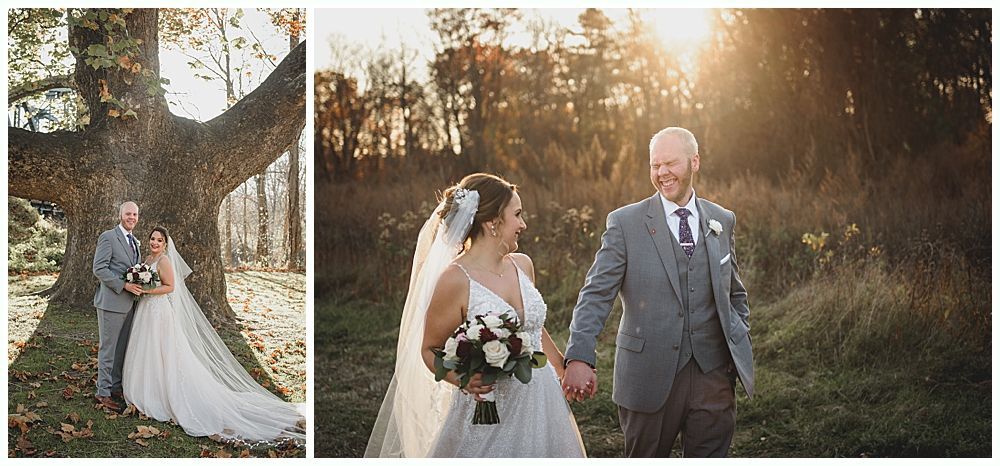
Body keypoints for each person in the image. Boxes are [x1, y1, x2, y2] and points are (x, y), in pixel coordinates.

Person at [562, 127, 755, 457]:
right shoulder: (625, 223)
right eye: (655, 165)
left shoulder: (722, 219)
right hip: (648, 376)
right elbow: (596, 293)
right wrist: (579, 355)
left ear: (694, 162)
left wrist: (738, 337)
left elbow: (734, 291)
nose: (662, 173)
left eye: (670, 163)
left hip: (714, 376)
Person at [365, 173, 585, 458]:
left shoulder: (523, 265)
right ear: (493, 223)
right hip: (488, 404)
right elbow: (429, 349)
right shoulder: (455, 280)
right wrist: (462, 379)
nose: (523, 224)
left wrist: (563, 369)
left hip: (541, 397)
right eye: (517, 215)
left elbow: (533, 329)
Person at [122, 226, 304, 442]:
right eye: (152, 239)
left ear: (165, 244)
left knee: (163, 351)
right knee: (147, 350)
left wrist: (147, 290)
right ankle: (144, 390)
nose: (154, 243)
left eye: (159, 240)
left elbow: (170, 287)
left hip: (159, 312)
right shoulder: (147, 259)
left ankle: (162, 394)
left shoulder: (163, 261)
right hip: (146, 311)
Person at [92, 201, 143, 412]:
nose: (132, 217)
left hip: (129, 304)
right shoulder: (108, 237)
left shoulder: (135, 242)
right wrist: (124, 285)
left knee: (121, 349)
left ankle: (114, 387)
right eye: (128, 214)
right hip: (111, 303)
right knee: (108, 349)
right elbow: (99, 268)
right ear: (120, 215)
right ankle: (102, 393)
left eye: (135, 214)